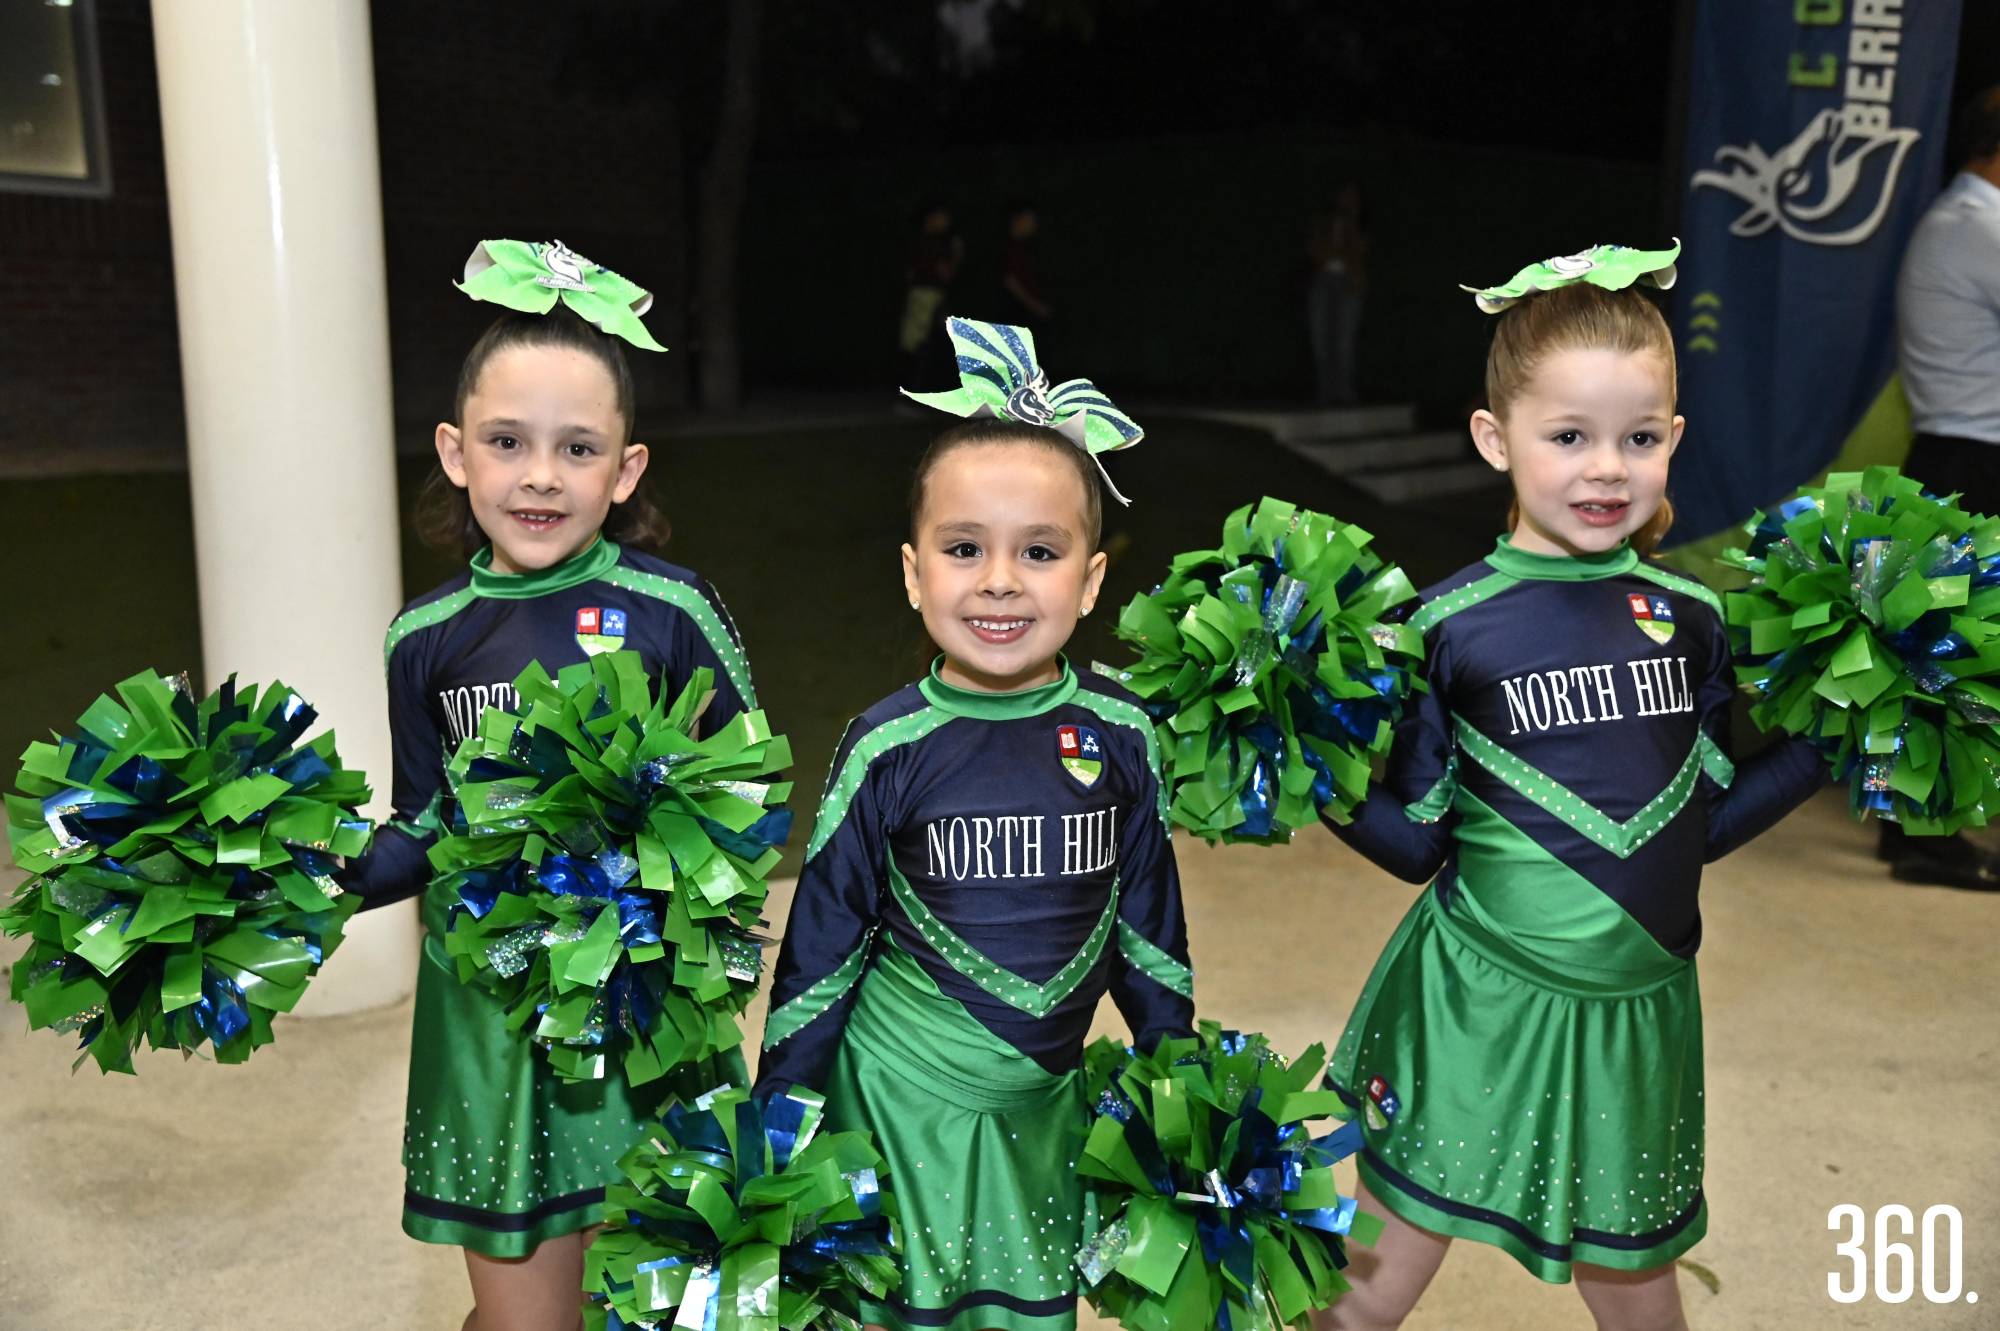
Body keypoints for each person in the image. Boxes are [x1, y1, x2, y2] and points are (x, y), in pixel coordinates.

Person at [1315, 247, 1828, 1331]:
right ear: (1494, 440)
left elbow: (1699, 826)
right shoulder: (1444, 624)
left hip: (1637, 1013)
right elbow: (1415, 844)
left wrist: (1828, 741)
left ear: (1673, 440)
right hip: (1473, 1004)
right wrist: (1304, 774)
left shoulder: (1692, 617)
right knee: (1373, 1283)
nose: (1606, 467)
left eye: (1637, 438)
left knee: (1636, 1287)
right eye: (1568, 437)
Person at [341, 239, 759, 1331]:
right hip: (489, 1018)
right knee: (530, 1318)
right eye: (506, 441)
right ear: (453, 452)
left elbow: (751, 795)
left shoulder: (673, 608)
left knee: (667, 1304)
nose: (539, 474)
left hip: (643, 1008)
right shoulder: (422, 636)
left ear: (624, 470)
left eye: (577, 447)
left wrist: (673, 908)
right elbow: (424, 818)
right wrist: (322, 871)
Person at [756, 319, 1191, 1331]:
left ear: (1088, 581)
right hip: (900, 1100)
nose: (999, 579)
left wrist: (1177, 1074)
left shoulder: (1121, 731)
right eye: (964, 548)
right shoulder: (886, 744)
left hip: (1040, 1110)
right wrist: (779, 1117)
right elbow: (820, 945)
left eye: (1037, 551)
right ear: (914, 573)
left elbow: (1147, 921)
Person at [1887, 85, 2000, 890]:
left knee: (1950, 653)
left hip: (1959, 458)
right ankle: (1927, 839)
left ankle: (1920, 830)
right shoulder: (1978, 228)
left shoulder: (1960, 221)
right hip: (1976, 463)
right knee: (1958, 658)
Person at [1306, 185, 1369, 406]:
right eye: (1344, 196)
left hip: (1349, 283)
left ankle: (1345, 392)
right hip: (1323, 281)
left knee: (1345, 340)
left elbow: (1360, 250)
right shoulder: (1323, 221)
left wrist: (1352, 221)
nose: (1347, 201)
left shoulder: (1360, 223)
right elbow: (1315, 249)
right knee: (1321, 338)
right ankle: (1324, 392)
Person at [900, 202, 966, 387]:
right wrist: (956, 255)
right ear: (931, 218)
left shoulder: (920, 241)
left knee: (924, 342)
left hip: (924, 294)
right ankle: (911, 390)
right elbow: (945, 273)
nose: (946, 223)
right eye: (942, 218)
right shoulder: (932, 243)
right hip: (926, 295)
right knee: (920, 344)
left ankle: (917, 389)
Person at [996, 200, 1054, 326]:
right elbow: (1010, 280)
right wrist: (1035, 306)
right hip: (1014, 316)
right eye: (1030, 219)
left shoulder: (1026, 247)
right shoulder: (1007, 247)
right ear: (1017, 220)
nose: (1033, 224)